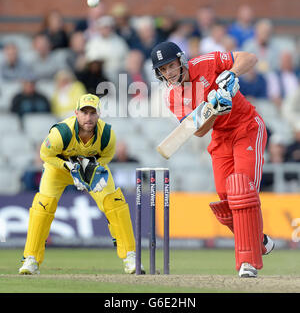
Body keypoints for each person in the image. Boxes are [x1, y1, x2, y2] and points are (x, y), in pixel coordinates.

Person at [150, 41, 274, 278]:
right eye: (163, 70)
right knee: (226, 201)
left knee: (242, 189)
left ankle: (247, 262)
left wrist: (231, 73)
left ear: (180, 60)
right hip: (220, 138)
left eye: (171, 66)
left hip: (247, 127)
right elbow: (198, 131)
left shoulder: (206, 63)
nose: (169, 73)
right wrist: (214, 110)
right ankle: (259, 241)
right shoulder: (173, 98)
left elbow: (249, 57)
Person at [19, 93, 143, 275]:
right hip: (58, 170)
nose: (88, 117)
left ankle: (130, 256)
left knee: (115, 203)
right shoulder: (61, 132)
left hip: (90, 170)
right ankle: (31, 259)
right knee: (43, 206)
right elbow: (45, 154)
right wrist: (68, 165)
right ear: (76, 113)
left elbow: (107, 156)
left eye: (92, 113)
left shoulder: (107, 134)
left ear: (99, 114)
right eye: (84, 112)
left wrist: (93, 167)